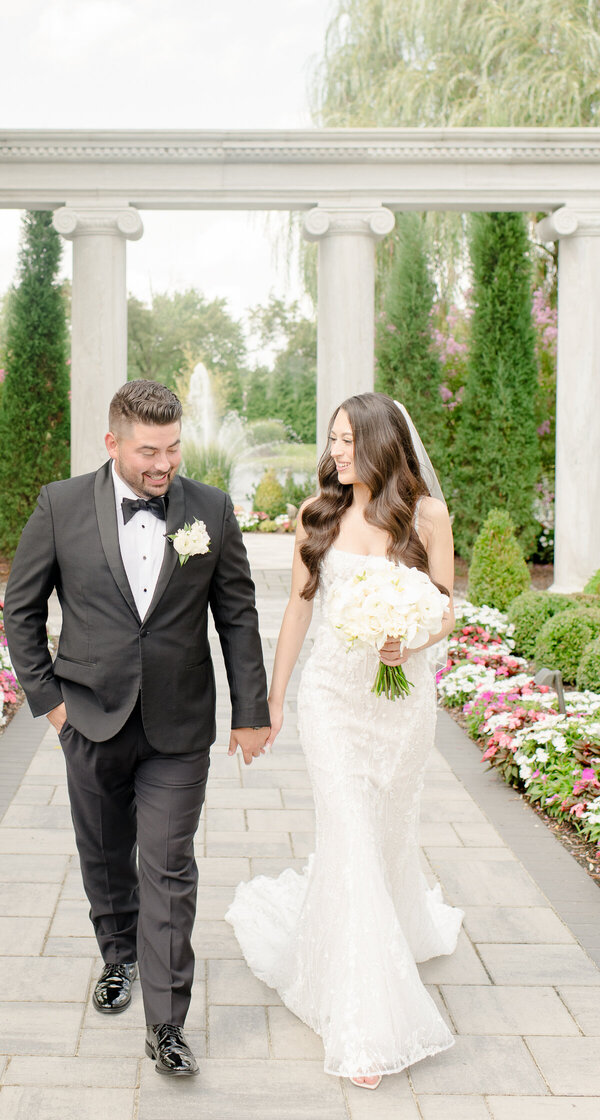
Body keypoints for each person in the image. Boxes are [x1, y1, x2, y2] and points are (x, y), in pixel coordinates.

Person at [4, 379, 270, 1077]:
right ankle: (117, 955)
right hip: (88, 717)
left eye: (173, 448)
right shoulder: (60, 505)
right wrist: (53, 706)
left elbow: (236, 614)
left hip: (179, 726)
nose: (164, 465)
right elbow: (21, 610)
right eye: (149, 451)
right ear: (112, 442)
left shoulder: (209, 508)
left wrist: (251, 712)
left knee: (169, 865)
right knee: (103, 852)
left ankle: (167, 1025)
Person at [226, 392, 463, 1090]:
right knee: (351, 837)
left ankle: (396, 931)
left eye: (349, 440)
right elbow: (298, 616)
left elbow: (446, 603)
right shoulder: (317, 515)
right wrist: (269, 702)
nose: (337, 451)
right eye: (332, 439)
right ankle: (368, 1025)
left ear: (385, 444)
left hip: (401, 703)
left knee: (387, 833)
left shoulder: (428, 516)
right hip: (330, 701)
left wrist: (410, 634)